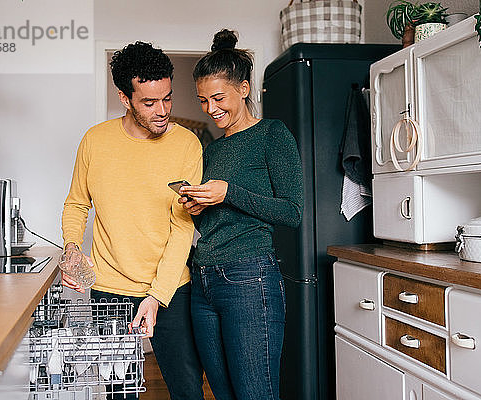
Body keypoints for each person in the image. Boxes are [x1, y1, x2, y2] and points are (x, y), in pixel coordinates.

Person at [61, 41, 204, 400]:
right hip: (110, 290)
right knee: (118, 392)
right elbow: (77, 204)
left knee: (187, 390)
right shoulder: (95, 141)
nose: (163, 111)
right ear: (125, 98)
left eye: (168, 99)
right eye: (149, 102)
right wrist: (71, 247)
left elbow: (182, 227)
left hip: (172, 289)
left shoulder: (187, 144)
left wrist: (157, 296)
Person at [179, 29, 304, 400]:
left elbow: (292, 212)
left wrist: (229, 192)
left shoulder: (272, 135)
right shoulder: (210, 150)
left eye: (219, 97)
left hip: (249, 279)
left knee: (255, 395)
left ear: (244, 89)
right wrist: (198, 207)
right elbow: (217, 221)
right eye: (203, 100)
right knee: (222, 392)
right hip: (202, 281)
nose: (210, 109)